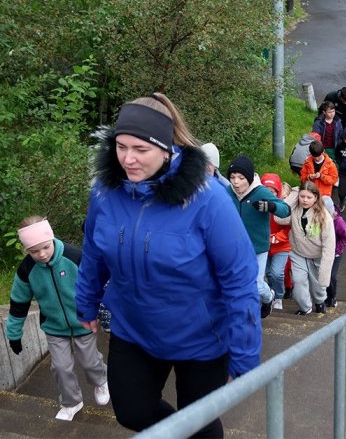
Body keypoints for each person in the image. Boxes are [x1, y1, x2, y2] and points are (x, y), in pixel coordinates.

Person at [75, 93, 262, 436]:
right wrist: (85, 302)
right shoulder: (106, 191)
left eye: (140, 150)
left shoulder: (207, 198)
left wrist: (245, 354)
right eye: (121, 147)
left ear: (166, 148)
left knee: (201, 423)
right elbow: (94, 252)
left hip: (201, 339)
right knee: (131, 412)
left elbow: (239, 278)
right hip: (135, 329)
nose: (127, 159)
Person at [7, 216, 109, 422]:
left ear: (51, 238)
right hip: (54, 327)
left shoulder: (74, 256)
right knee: (61, 367)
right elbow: (18, 303)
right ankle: (71, 402)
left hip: (83, 322)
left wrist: (102, 313)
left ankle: (101, 380)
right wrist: (14, 334)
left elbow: (97, 284)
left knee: (90, 363)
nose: (41, 254)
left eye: (45, 247)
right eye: (34, 251)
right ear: (27, 250)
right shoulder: (27, 270)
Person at [227, 155, 291, 318]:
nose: (236, 182)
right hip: (236, 247)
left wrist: (271, 206)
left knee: (255, 283)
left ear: (248, 178)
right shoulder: (228, 192)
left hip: (258, 247)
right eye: (232, 177)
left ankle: (268, 296)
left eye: (240, 178)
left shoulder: (260, 191)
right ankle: (242, 314)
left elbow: (285, 210)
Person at [275, 181, 335, 315]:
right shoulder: (295, 209)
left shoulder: (324, 216)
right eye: (302, 196)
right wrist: (292, 196)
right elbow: (279, 218)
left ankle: (320, 303)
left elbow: (329, 245)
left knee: (317, 286)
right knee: (298, 281)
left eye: (309, 197)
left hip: (317, 256)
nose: (305, 200)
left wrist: (325, 275)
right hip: (298, 253)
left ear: (316, 198)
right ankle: (305, 308)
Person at [261, 173, 291, 311]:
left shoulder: (282, 207)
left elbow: (288, 229)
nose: (269, 194)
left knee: (277, 273)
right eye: (266, 190)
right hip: (264, 247)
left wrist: (275, 237)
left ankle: (278, 295)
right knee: (266, 273)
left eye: (272, 191)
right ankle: (270, 294)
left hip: (281, 247)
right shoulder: (258, 207)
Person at [322, 197, 346, 308]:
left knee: (331, 276)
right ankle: (325, 297)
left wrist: (335, 249)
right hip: (324, 251)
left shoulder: (338, 221)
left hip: (335, 253)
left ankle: (332, 297)